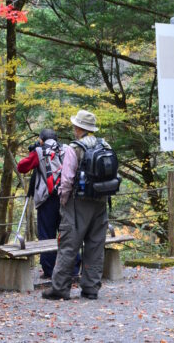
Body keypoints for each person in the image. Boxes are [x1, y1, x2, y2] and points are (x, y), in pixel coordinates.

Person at [42, 109, 110, 301]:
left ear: (79, 127)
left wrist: (63, 201)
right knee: (95, 245)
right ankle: (90, 288)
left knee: (69, 245)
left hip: (77, 203)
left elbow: (67, 178)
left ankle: (59, 288)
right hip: (101, 201)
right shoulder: (104, 144)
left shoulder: (74, 148)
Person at [17, 128, 73, 278]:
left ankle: (49, 270)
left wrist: (34, 151)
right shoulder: (67, 149)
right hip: (66, 197)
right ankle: (73, 269)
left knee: (47, 235)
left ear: (41, 139)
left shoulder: (39, 152)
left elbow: (21, 167)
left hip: (47, 198)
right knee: (67, 233)